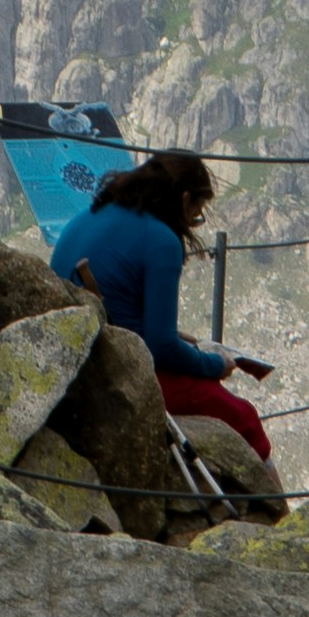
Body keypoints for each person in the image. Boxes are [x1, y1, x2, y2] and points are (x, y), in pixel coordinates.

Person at [50, 146, 278, 498]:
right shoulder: (161, 240)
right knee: (242, 415)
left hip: (71, 359)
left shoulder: (87, 215)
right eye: (196, 214)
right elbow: (159, 346)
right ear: (184, 199)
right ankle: (279, 516)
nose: (192, 224)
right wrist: (215, 363)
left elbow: (123, 311)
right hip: (117, 370)